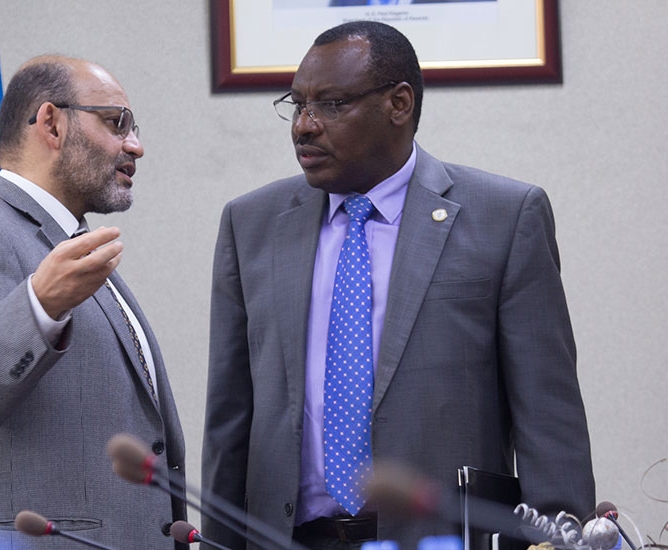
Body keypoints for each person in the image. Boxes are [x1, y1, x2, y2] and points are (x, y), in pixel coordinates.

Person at [201, 21, 595, 550]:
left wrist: (562, 539)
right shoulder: (251, 223)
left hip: (443, 538)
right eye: (297, 105)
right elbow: (230, 419)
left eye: (332, 104)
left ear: (399, 103)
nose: (304, 126)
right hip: (289, 537)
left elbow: (549, 420)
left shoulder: (504, 218)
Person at [0, 55, 186, 549]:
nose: (135, 146)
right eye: (117, 122)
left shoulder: (73, 247)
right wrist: (38, 306)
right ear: (52, 123)